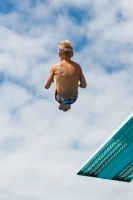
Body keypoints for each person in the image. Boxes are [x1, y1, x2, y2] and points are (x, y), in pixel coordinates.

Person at [44, 40, 87, 112]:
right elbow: (84, 85)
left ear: (59, 54)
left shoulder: (55, 67)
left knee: (55, 76)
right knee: (72, 77)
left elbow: (46, 86)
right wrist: (76, 82)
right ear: (72, 54)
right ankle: (67, 104)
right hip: (73, 98)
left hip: (60, 98)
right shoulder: (77, 66)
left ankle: (61, 102)